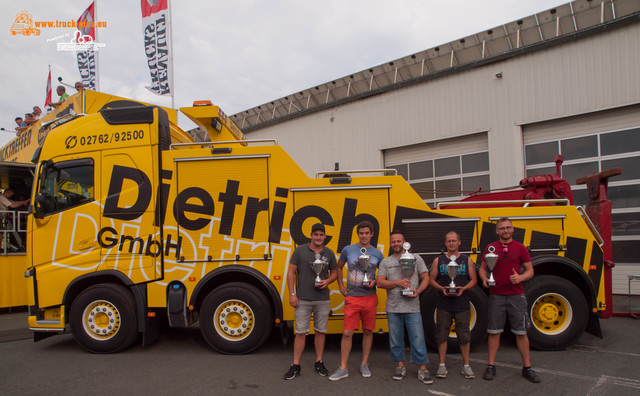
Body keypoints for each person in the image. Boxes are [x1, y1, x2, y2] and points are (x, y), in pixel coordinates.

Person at [479, 217, 540, 383]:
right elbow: (483, 269)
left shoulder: (520, 248)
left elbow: (530, 270)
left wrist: (520, 278)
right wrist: (485, 279)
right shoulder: (491, 248)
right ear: (497, 231)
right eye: (502, 228)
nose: (505, 231)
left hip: (516, 295)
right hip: (496, 295)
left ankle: (527, 367)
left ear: (512, 230)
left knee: (521, 332)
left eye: (508, 228)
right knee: (494, 332)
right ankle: (491, 366)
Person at [329, 220, 383, 381]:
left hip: (370, 298)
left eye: (367, 233)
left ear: (372, 234)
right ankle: (343, 367)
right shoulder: (348, 250)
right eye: (361, 233)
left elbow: (383, 273)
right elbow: (338, 267)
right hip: (352, 297)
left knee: (368, 331)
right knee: (347, 333)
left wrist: (375, 282)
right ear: (357, 234)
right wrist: (340, 285)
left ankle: (364, 363)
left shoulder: (377, 253)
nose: (364, 236)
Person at [284, 223, 338, 380]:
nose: (319, 237)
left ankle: (319, 362)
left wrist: (327, 281)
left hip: (322, 300)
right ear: (311, 235)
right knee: (300, 332)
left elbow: (335, 272)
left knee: (320, 331)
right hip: (303, 300)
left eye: (321, 235)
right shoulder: (300, 251)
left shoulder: (329, 253)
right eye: (316, 234)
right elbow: (291, 272)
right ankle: (296, 365)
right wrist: (292, 294)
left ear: (325, 236)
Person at [377, 230, 432, 384]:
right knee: (395, 340)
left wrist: (418, 292)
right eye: (393, 242)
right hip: (393, 308)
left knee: (418, 338)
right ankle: (400, 366)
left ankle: (422, 369)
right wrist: (397, 283)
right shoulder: (386, 262)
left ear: (404, 242)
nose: (396, 244)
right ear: (390, 244)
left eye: (398, 241)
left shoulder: (416, 258)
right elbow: (380, 282)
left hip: (413, 307)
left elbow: (425, 277)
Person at [429, 231, 477, 380]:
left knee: (464, 335)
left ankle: (466, 366)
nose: (451, 243)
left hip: (461, 303)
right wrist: (441, 288)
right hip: (444, 304)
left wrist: (464, 289)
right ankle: (442, 365)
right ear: (445, 243)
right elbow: (431, 280)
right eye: (449, 241)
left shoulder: (466, 260)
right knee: (441, 335)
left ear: (459, 243)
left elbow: (474, 280)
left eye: (454, 241)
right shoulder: (439, 260)